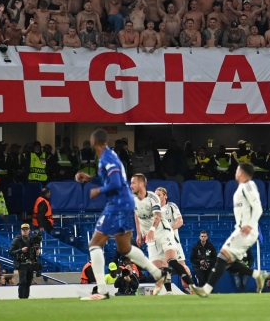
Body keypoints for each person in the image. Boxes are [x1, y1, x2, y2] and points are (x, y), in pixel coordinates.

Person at [75, 128, 164, 301]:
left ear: (94, 143)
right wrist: (89, 179)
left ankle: (102, 290)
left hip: (117, 205)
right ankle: (156, 273)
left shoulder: (107, 159)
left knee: (94, 245)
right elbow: (110, 180)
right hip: (126, 204)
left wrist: (98, 191)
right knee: (125, 249)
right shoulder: (109, 157)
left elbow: (115, 183)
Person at [191, 162, 270, 297]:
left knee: (222, 256)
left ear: (241, 172)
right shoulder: (242, 188)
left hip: (247, 231)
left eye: (237, 170)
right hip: (240, 230)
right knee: (227, 261)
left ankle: (206, 289)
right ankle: (258, 274)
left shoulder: (248, 185)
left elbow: (258, 208)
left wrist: (250, 225)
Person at [154, 185, 194, 293]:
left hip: (173, 241)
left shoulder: (171, 206)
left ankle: (191, 287)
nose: (156, 197)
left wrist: (169, 230)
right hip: (161, 243)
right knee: (164, 266)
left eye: (159, 195)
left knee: (182, 265)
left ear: (165, 196)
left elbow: (180, 221)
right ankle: (169, 291)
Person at [9, 223, 41, 299]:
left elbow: (34, 252)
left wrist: (37, 251)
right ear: (21, 231)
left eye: (26, 230)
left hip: (30, 263)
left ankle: (25, 298)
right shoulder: (17, 240)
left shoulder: (32, 240)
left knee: (28, 282)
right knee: (23, 281)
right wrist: (21, 250)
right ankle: (21, 297)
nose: (25, 231)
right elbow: (10, 252)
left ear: (29, 230)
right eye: (24, 230)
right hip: (22, 263)